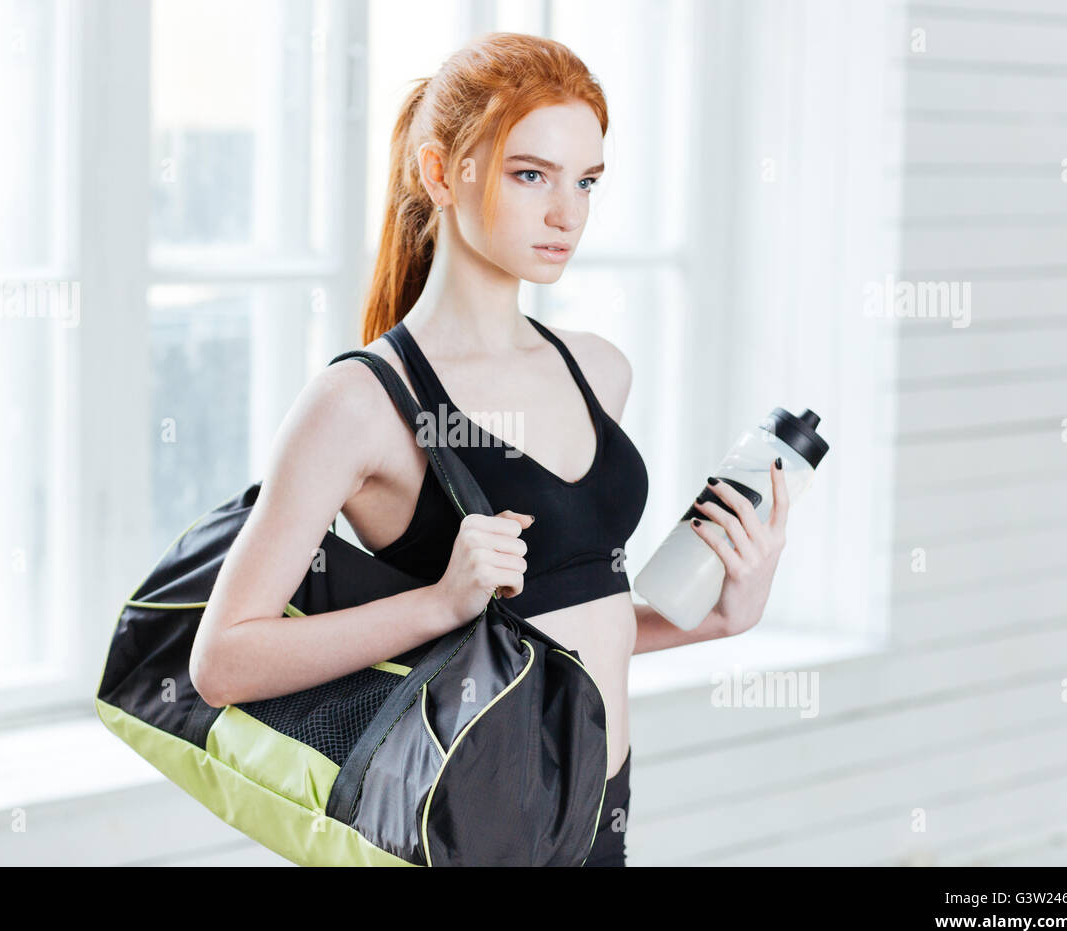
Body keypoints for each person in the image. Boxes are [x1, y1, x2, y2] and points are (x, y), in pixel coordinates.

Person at [190, 31, 790, 867]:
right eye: (530, 175)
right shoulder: (360, 404)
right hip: (467, 829)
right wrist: (440, 602)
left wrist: (720, 618)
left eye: (586, 181)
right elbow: (223, 661)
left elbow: (557, 634)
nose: (566, 213)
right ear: (441, 174)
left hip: (596, 814)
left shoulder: (597, 370)